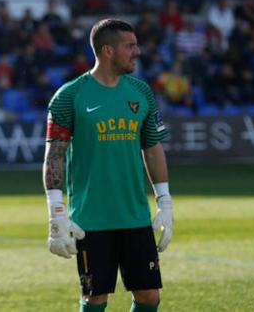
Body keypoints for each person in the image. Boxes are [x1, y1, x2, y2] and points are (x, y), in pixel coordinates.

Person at [42, 19, 173, 312]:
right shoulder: (69, 96)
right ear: (108, 51)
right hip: (90, 220)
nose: (137, 51)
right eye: (130, 46)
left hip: (135, 216)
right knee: (95, 298)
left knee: (149, 296)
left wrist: (165, 203)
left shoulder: (142, 92)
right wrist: (56, 213)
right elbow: (55, 156)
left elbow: (152, 147)